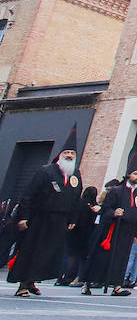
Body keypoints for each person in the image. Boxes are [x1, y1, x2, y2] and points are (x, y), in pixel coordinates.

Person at [8, 124, 84, 297]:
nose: (70, 156)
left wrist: (73, 219)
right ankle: (22, 285)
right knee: (32, 252)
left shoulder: (75, 175)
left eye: (73, 153)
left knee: (48, 254)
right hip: (41, 219)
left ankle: (33, 281)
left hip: (60, 221)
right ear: (60, 155)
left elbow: (76, 199)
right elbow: (28, 195)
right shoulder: (46, 171)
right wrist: (23, 217)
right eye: (67, 153)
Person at [83, 150, 137, 297]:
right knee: (104, 257)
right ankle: (89, 282)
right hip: (112, 229)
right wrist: (114, 213)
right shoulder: (116, 191)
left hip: (128, 230)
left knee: (122, 257)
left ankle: (117, 285)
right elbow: (104, 210)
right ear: (128, 175)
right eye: (135, 173)